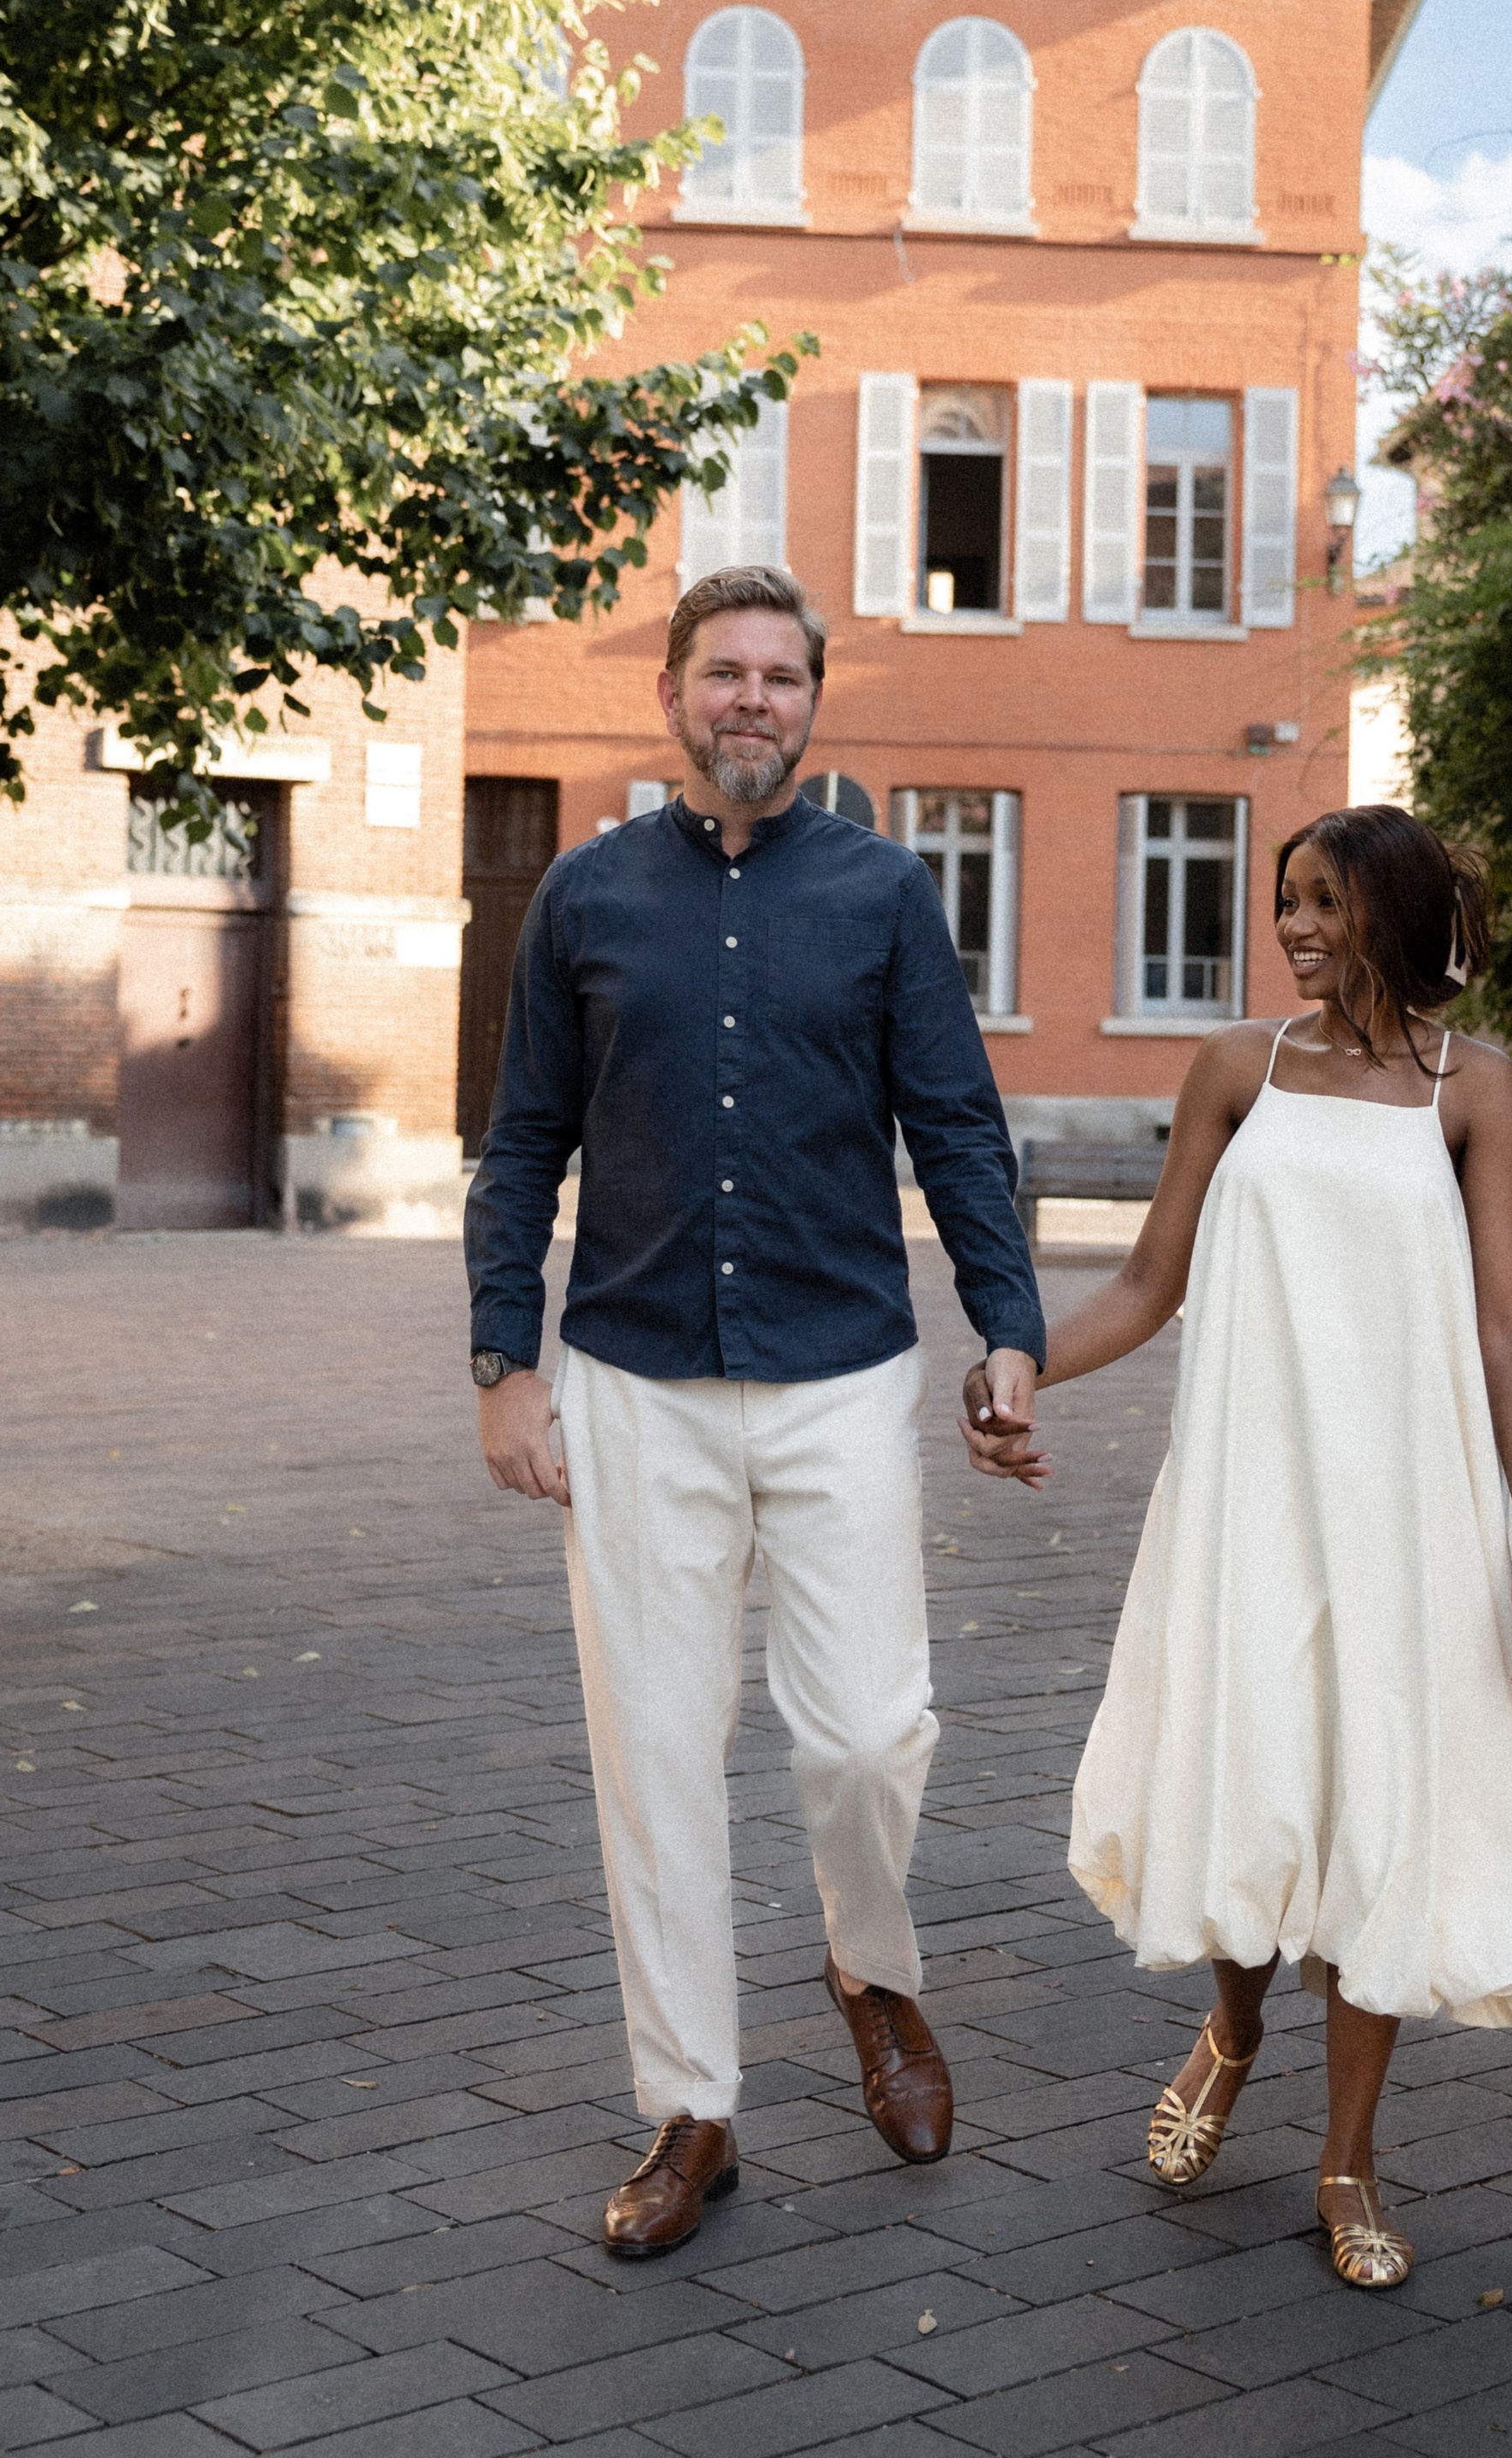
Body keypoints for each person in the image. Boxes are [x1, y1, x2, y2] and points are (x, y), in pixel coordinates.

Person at [465, 562, 1045, 2261]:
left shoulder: (882, 895)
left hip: (840, 1371)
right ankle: (694, 2106)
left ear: (811, 704)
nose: (748, 702)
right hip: (634, 1380)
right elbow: (521, 1143)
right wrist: (509, 1359)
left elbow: (955, 1126)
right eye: (720, 674)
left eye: (778, 679)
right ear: (670, 696)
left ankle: (869, 1967)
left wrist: (1003, 1331)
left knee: (868, 1732)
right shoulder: (582, 899)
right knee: (655, 1757)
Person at [960, 803, 1512, 2290]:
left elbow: (1507, 1326)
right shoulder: (1240, 1069)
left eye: (1321, 901)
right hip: (1251, 1489)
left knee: (1380, 1800)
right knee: (1253, 1768)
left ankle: (1348, 2161)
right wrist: (1023, 1360)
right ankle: (1232, 2033)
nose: (1293, 925)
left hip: (1417, 1505)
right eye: (1284, 900)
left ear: (1394, 909)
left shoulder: (1477, 1092)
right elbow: (1154, 1279)